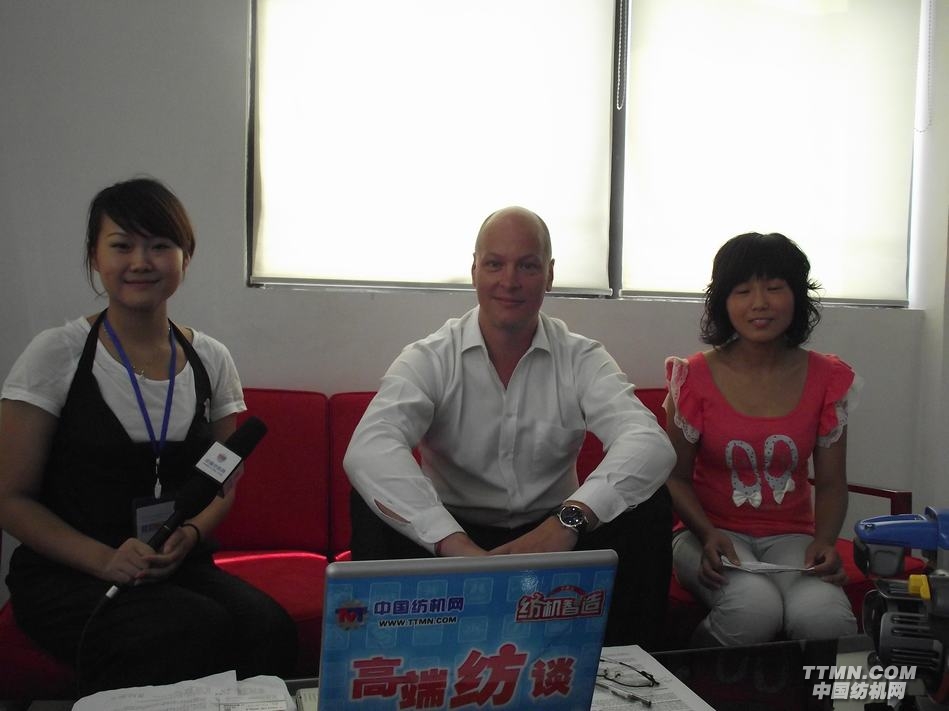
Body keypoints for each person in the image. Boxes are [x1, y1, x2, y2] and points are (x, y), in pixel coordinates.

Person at [0, 178, 297, 692]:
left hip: (174, 563)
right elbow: (10, 499)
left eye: (160, 245)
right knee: (187, 630)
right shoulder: (56, 354)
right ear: (95, 257)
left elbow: (224, 483)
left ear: (185, 257)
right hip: (70, 573)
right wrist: (105, 560)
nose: (141, 261)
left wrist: (192, 534)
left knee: (269, 628)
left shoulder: (211, 359)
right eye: (122, 246)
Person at [344, 205, 676, 648]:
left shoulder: (581, 357)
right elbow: (369, 449)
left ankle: (627, 666)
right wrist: (455, 545)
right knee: (372, 500)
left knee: (649, 501)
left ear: (550, 275)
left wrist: (567, 522)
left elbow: (649, 443)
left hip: (556, 534)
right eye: (495, 264)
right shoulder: (431, 357)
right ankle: (390, 662)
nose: (510, 281)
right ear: (474, 271)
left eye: (528, 266)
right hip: (450, 534)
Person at [664, 232, 860, 647]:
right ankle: (686, 675)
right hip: (706, 535)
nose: (759, 303)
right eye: (742, 291)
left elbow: (831, 483)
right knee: (753, 608)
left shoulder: (828, 378)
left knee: (826, 619)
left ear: (797, 297)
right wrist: (706, 533)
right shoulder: (693, 378)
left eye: (774, 288)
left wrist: (825, 542)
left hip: (793, 538)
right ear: (723, 301)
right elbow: (674, 477)